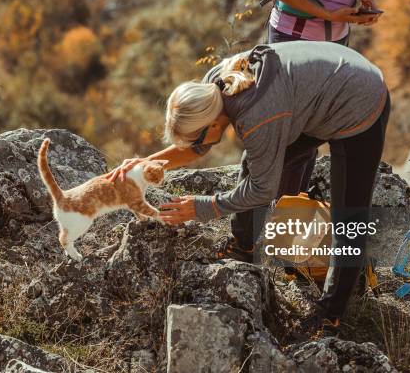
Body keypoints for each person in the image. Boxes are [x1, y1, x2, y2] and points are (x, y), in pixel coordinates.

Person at [108, 41, 390, 333]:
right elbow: (194, 148)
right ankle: (243, 245)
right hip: (319, 90)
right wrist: (143, 164)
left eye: (196, 137)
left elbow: (262, 189)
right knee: (252, 161)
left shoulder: (258, 117)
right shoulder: (211, 89)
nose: (195, 144)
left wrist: (203, 207)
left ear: (214, 125)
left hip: (360, 100)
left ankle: (331, 313)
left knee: (349, 216)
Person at [232, 0, 382, 265]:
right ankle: (242, 243)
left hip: (336, 42)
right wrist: (330, 15)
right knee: (275, 137)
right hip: (293, 41)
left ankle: (284, 239)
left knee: (311, 137)